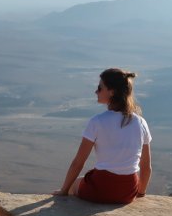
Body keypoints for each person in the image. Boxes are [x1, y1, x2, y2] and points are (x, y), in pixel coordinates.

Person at [53, 68, 151, 204]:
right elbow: (146, 166)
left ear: (112, 92)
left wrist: (64, 191)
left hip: (100, 188)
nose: (96, 91)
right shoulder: (140, 122)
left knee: (75, 185)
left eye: (100, 88)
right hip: (128, 191)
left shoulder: (97, 122)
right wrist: (140, 193)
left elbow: (78, 163)